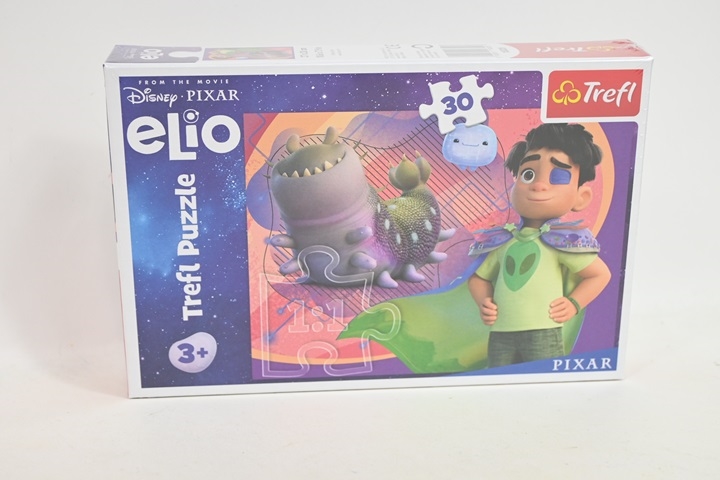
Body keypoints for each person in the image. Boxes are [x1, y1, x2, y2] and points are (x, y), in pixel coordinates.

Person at [468, 123, 611, 367]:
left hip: (544, 331)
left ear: (581, 197)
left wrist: (573, 303)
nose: (538, 185)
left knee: (543, 380)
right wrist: (484, 301)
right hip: (501, 332)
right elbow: (478, 278)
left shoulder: (563, 241)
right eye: (528, 174)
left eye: (558, 177)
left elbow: (600, 275)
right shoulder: (502, 240)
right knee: (499, 381)